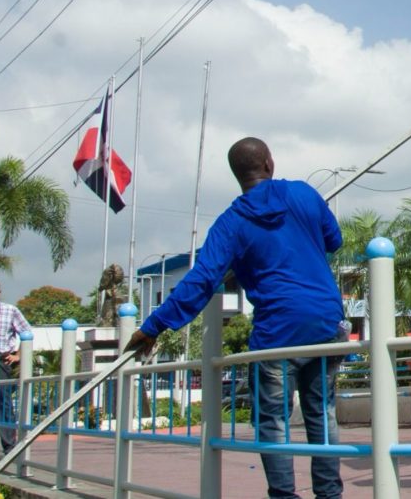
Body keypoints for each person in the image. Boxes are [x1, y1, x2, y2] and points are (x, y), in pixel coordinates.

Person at [125, 137, 346, 499]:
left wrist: (153, 326)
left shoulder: (231, 223)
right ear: (270, 164)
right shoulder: (305, 194)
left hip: (278, 335)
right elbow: (333, 240)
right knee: (322, 412)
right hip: (325, 323)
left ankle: (284, 496)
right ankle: (329, 495)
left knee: (273, 422)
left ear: (237, 175)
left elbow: (200, 281)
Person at [0, 280, 30, 452]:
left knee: (2, 402)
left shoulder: (10, 310)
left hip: (0, 360)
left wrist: (18, 356)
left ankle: (9, 447)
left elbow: (27, 332)